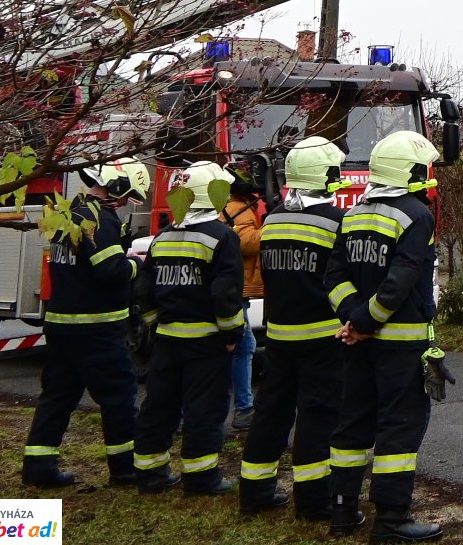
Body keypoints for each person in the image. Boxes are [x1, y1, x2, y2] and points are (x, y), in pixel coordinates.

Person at [326, 130, 443, 541]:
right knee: (400, 426)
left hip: (358, 341)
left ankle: (341, 509)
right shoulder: (417, 215)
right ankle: (393, 519)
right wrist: (366, 322)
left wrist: (353, 320)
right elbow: (401, 281)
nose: (429, 174)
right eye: (423, 167)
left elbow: (335, 276)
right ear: (409, 171)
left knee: (353, 422)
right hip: (400, 345)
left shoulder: (355, 212)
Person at [22, 156, 151, 488]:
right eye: (127, 195)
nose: (124, 203)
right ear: (116, 185)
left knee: (58, 397)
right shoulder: (99, 219)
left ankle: (38, 468)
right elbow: (112, 272)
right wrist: (139, 265)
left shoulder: (69, 214)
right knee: (119, 397)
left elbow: (86, 263)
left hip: (62, 326)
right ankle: (125, 470)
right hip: (97, 329)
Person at [238, 137, 349, 519]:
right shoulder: (337, 223)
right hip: (323, 337)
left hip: (280, 335)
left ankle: (254, 492)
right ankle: (314, 502)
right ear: (328, 175)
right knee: (319, 417)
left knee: (271, 413)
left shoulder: (273, 218)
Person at [132, 160, 246, 495]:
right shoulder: (222, 236)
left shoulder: (163, 237)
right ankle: (201, 478)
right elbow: (225, 294)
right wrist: (231, 335)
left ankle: (150, 475)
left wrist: (155, 328)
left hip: (167, 342)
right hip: (206, 343)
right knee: (204, 410)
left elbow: (144, 291)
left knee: (159, 406)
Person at [222, 157, 267, 431]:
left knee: (245, 345)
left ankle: (244, 408)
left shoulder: (239, 206)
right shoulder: (236, 208)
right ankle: (243, 410)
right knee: (244, 346)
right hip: (237, 287)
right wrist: (271, 231)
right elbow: (245, 243)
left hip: (238, 288)